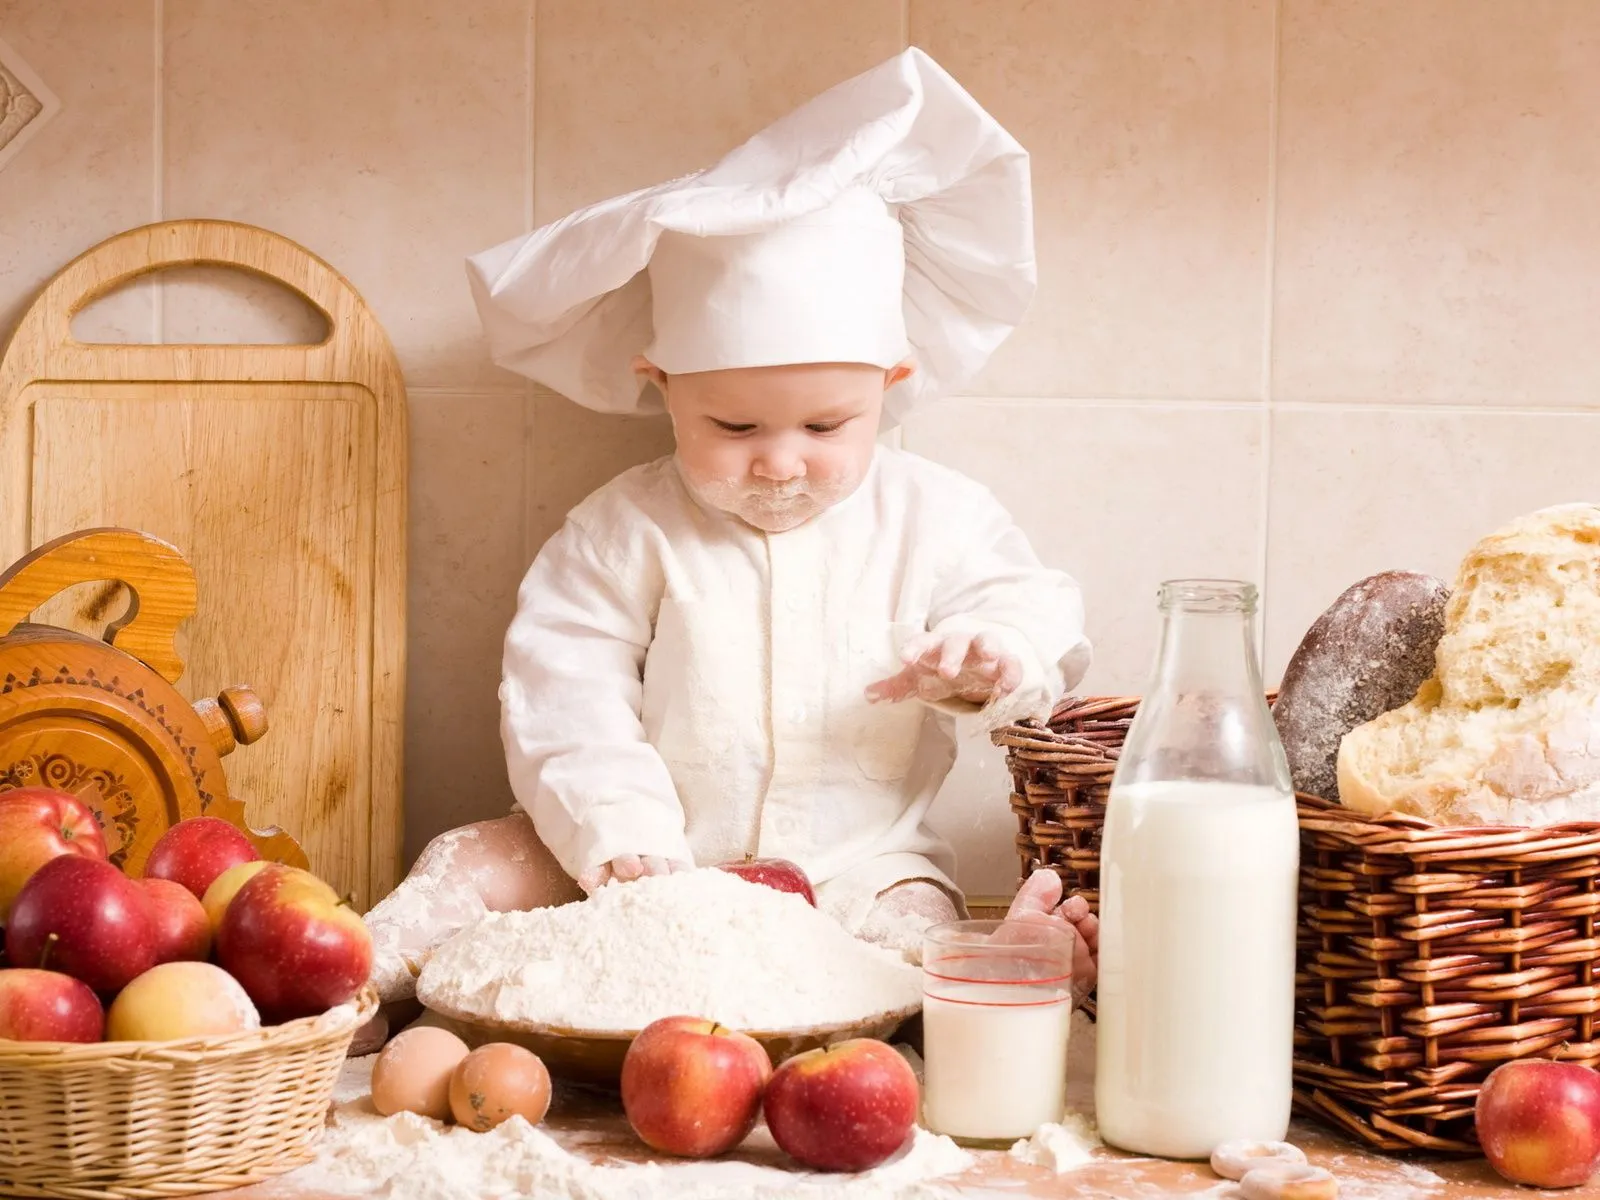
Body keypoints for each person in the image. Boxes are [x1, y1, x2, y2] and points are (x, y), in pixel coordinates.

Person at [357, 47, 1098, 1049]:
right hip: (639, 857)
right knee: (471, 858)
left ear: (892, 382)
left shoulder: (938, 517)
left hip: (859, 862)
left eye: (827, 427)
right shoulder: (623, 530)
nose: (780, 464)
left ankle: (995, 963)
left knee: (909, 930)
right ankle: (343, 985)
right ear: (661, 384)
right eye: (735, 429)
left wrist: (990, 655)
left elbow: (1033, 604)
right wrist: (622, 841)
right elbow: (561, 692)